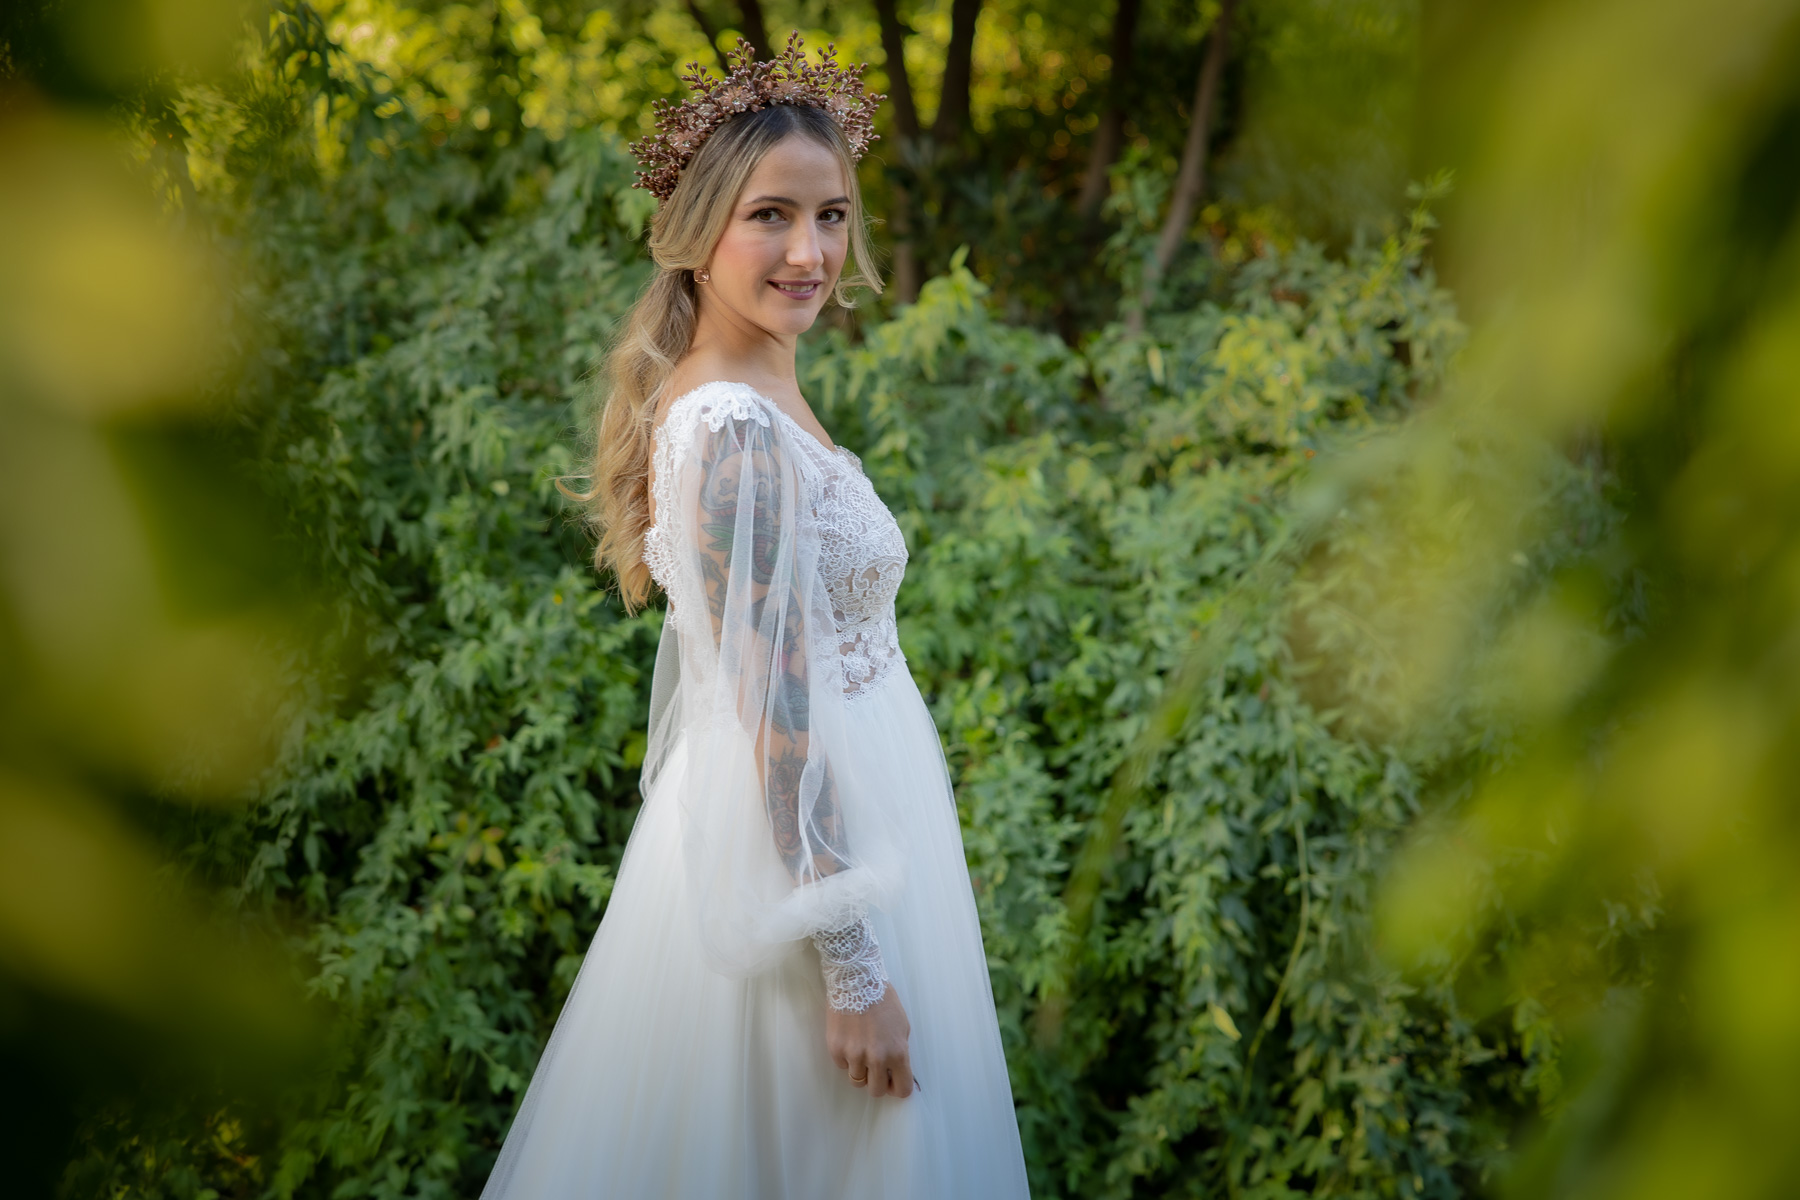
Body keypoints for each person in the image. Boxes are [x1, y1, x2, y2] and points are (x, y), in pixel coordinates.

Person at [479, 33, 1031, 1199]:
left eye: (831, 216)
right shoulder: (728, 428)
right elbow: (773, 706)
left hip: (858, 823)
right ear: (701, 233)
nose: (809, 251)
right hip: (799, 869)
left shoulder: (764, 380)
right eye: (771, 217)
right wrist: (852, 962)